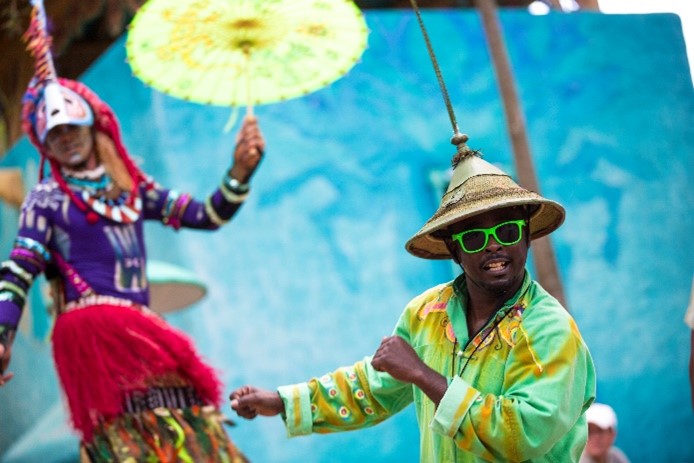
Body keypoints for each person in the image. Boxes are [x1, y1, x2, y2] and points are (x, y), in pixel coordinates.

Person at [229, 135, 596, 462]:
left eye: (507, 230)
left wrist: (422, 375)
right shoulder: (426, 314)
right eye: (473, 238)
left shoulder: (550, 330)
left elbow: (521, 434)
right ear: (454, 251)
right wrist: (281, 402)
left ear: (527, 237)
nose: (494, 244)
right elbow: (373, 387)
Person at [0, 20, 264, 460]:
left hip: (138, 325)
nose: (66, 140)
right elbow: (17, 269)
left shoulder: (131, 188)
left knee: (190, 426)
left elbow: (207, 215)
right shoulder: (46, 199)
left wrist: (239, 171)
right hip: (92, 329)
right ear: (46, 145)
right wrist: (3, 331)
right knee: (129, 435)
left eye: (72, 130)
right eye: (55, 135)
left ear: (94, 129)